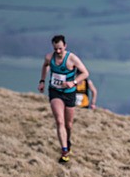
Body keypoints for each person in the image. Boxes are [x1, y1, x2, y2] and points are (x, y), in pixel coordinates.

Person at [37, 34, 90, 163]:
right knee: (60, 122)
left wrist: (74, 82)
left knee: (68, 125)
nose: (58, 51)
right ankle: (64, 151)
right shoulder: (49, 57)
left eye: (60, 48)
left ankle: (68, 141)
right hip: (55, 92)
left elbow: (85, 73)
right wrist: (42, 81)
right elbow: (45, 66)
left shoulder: (72, 58)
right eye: (56, 49)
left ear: (65, 46)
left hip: (70, 93)